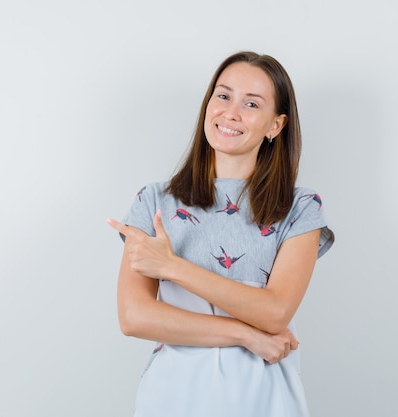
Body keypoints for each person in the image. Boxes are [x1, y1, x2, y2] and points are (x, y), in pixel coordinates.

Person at [106, 51, 334, 417]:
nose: (231, 112)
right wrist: (246, 334)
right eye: (223, 95)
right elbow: (134, 317)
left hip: (263, 395)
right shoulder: (154, 200)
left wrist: (173, 267)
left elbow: (275, 312)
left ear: (275, 125)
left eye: (252, 103)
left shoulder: (300, 208)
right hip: (173, 395)